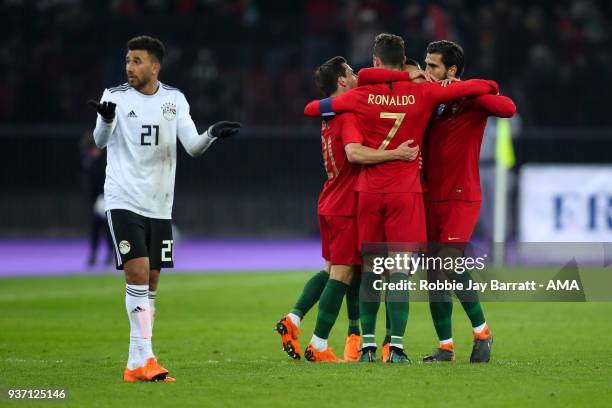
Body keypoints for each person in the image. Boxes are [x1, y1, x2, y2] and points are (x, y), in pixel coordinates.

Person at [304, 33, 499, 363]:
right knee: (400, 271)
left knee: (371, 269)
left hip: (368, 192)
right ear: (405, 59)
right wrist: (462, 85)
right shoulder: (424, 91)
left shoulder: (362, 94)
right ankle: (394, 347)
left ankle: (367, 346)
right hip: (406, 193)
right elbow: (490, 90)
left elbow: (313, 108)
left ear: (376, 61)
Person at [89, 35, 240, 382]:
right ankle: (147, 357)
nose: (129, 66)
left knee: (152, 280)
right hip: (123, 198)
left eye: (137, 61)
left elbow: (192, 146)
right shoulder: (113, 97)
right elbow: (99, 141)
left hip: (159, 205)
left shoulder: (174, 100)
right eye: (128, 60)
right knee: (138, 273)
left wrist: (213, 133)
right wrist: (106, 120)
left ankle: (135, 363)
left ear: (155, 66)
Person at [276, 56, 419, 362]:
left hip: (330, 199)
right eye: (351, 73)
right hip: (345, 204)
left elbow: (314, 108)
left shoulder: (331, 113)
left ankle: (296, 319)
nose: (356, 76)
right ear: (342, 80)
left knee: (332, 270)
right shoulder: (348, 113)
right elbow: (355, 153)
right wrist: (397, 154)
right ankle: (319, 343)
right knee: (343, 273)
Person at [80, 131, 113, 267]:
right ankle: (94, 253)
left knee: (109, 228)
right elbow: (87, 182)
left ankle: (111, 254)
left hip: (107, 198)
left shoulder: (107, 159)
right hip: (95, 200)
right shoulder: (88, 161)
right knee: (95, 227)